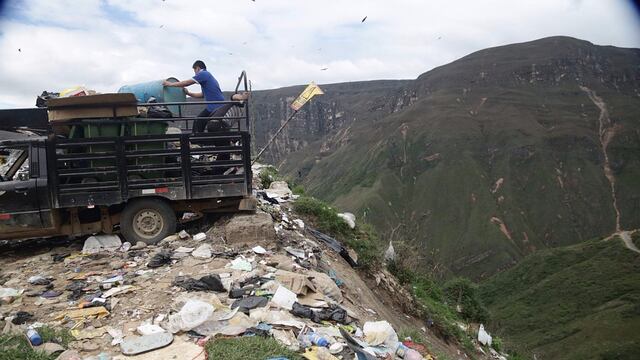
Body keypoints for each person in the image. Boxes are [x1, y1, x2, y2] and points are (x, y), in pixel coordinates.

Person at [163, 60, 225, 133]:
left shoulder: (204, 74)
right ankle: (199, 140)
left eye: (194, 70)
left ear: (198, 68)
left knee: (199, 121)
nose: (195, 73)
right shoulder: (207, 77)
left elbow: (187, 82)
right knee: (200, 121)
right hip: (217, 105)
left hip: (215, 106)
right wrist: (188, 93)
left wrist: (170, 84)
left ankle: (197, 141)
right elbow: (202, 95)